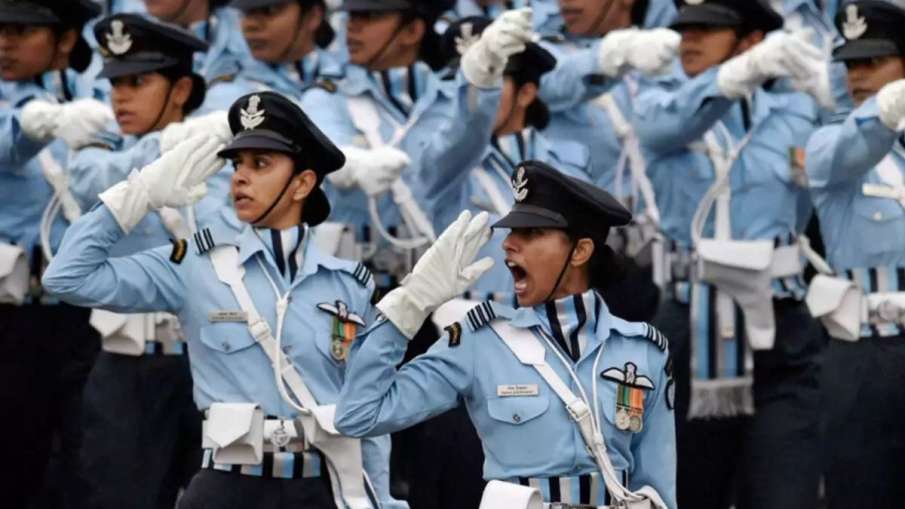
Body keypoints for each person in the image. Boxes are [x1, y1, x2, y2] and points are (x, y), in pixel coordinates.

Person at [42, 91, 404, 509]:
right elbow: (67, 276)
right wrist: (139, 193)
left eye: (260, 164)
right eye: (237, 165)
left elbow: (369, 411)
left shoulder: (348, 284)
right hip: (226, 488)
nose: (239, 178)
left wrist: (381, 500)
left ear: (303, 182)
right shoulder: (195, 265)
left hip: (317, 489)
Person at [335, 161, 677, 509]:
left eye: (530, 233)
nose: (509, 244)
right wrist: (410, 303)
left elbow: (658, 490)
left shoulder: (643, 351)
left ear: (580, 251)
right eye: (512, 232)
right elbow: (358, 415)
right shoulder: (480, 342)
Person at [634, 1, 829, 507]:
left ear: (749, 40)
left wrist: (830, 89)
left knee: (786, 493)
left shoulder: (797, 109)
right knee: (688, 490)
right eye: (684, 29)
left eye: (708, 30)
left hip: (780, 324)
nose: (689, 40)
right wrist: (735, 75)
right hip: (689, 322)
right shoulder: (661, 101)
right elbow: (662, 129)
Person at [66, 14, 230, 509]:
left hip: (209, 359)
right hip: (129, 363)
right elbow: (91, 182)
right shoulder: (97, 152)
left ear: (181, 89)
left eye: (138, 82)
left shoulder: (218, 156)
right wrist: (164, 149)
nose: (120, 96)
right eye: (115, 82)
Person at [300, 0, 527, 290]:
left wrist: (482, 76)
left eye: (371, 15)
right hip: (350, 282)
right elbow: (325, 147)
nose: (354, 26)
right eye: (352, 16)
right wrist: (350, 164)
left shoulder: (444, 99)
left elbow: (460, 146)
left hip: (429, 286)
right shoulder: (327, 98)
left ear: (412, 31)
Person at [0, 1, 107, 507]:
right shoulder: (12, 105)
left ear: (65, 40)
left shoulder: (100, 100)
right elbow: (6, 142)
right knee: (14, 457)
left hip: (86, 309)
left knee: (87, 458)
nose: (4, 43)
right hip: (12, 313)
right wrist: (36, 124)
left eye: (21, 31)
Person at [804, 1, 905, 506]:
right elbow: (844, 151)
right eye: (850, 65)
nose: (858, 77)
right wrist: (886, 109)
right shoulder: (830, 144)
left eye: (873, 62)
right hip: (868, 353)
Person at [230, 0, 345, 97]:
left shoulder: (345, 77)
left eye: (270, 10)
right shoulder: (231, 94)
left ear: (312, 16)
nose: (250, 25)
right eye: (246, 13)